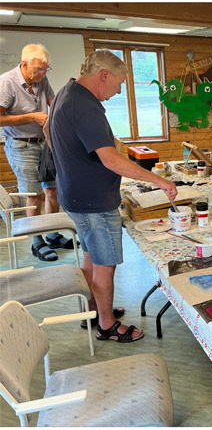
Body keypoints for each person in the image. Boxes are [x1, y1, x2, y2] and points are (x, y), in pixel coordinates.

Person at [47, 49, 178, 343]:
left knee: (91, 257)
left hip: (74, 193)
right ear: (104, 75)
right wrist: (158, 180)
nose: (118, 92)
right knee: (105, 264)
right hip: (94, 201)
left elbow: (47, 129)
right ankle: (106, 325)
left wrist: (69, 161)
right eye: (118, 84)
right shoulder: (85, 106)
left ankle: (94, 311)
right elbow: (110, 159)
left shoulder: (66, 93)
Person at [0, 43, 72, 262]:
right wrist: (32, 117)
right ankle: (37, 241)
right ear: (24, 64)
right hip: (21, 145)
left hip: (45, 142)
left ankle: (52, 235)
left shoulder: (42, 80)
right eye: (39, 69)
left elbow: (53, 104)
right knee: (33, 195)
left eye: (46, 69)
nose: (43, 74)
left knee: (52, 190)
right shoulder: (6, 82)